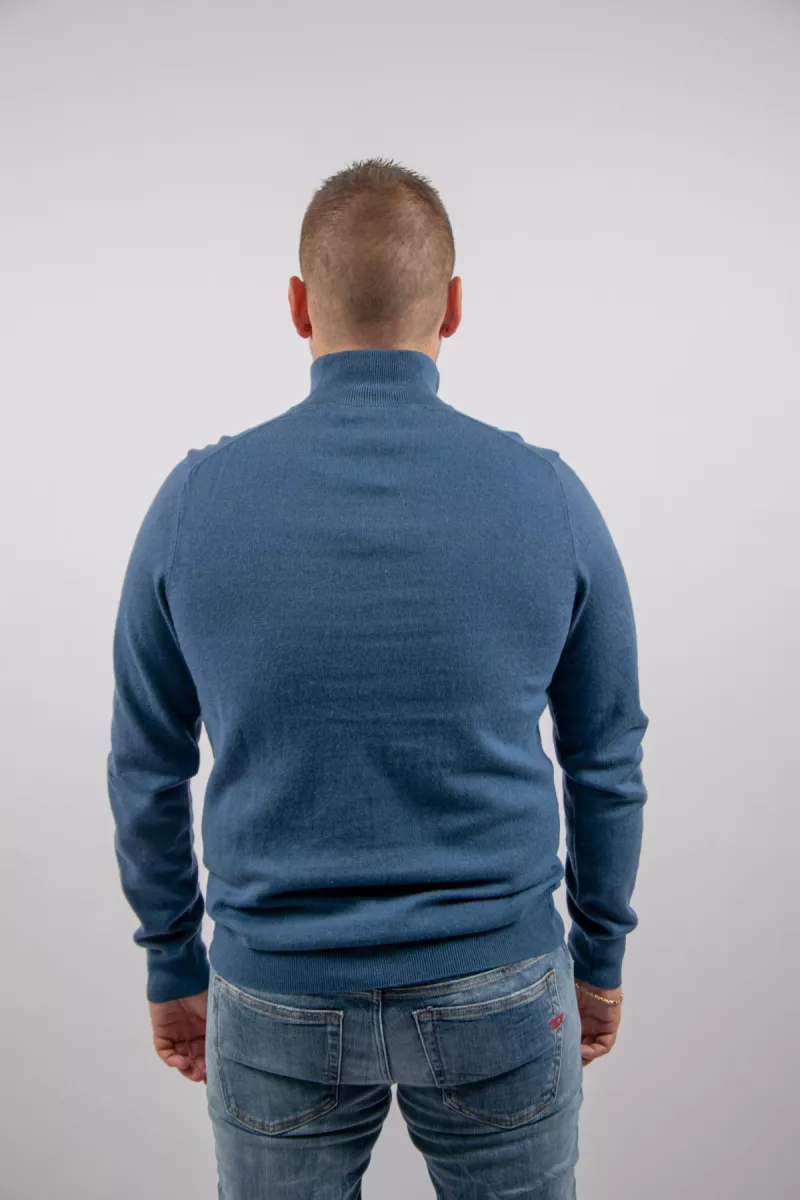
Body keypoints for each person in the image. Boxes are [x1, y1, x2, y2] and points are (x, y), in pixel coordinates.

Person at [106, 156, 649, 1199]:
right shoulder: (547, 497)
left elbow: (145, 764)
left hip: (275, 990)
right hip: (500, 982)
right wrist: (601, 954)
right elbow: (605, 757)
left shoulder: (193, 502)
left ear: (298, 307)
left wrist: (172, 961)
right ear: (453, 306)